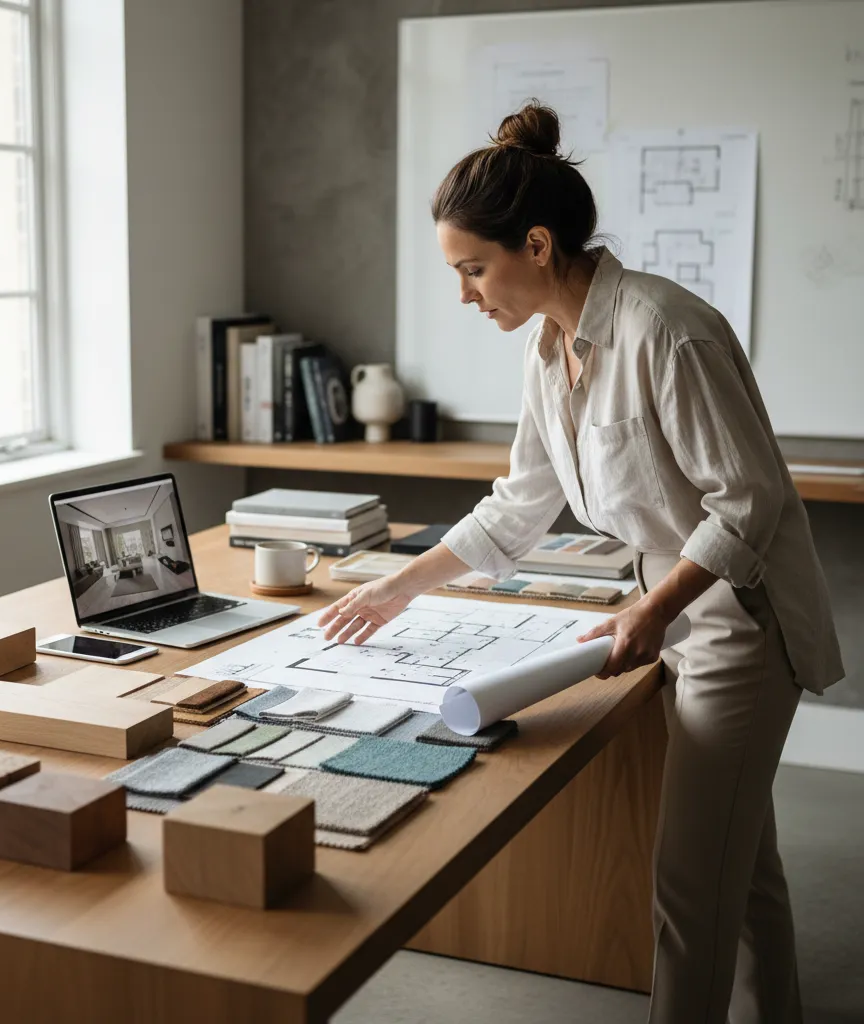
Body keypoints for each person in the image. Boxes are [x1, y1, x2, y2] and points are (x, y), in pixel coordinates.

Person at [317, 103, 843, 1024]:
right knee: (738, 860)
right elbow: (518, 506)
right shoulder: (546, 349)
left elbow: (749, 501)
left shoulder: (666, 331)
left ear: (537, 244)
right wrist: (396, 586)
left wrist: (655, 608)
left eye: (473, 269)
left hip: (736, 620)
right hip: (663, 603)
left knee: (689, 886)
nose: (466, 295)